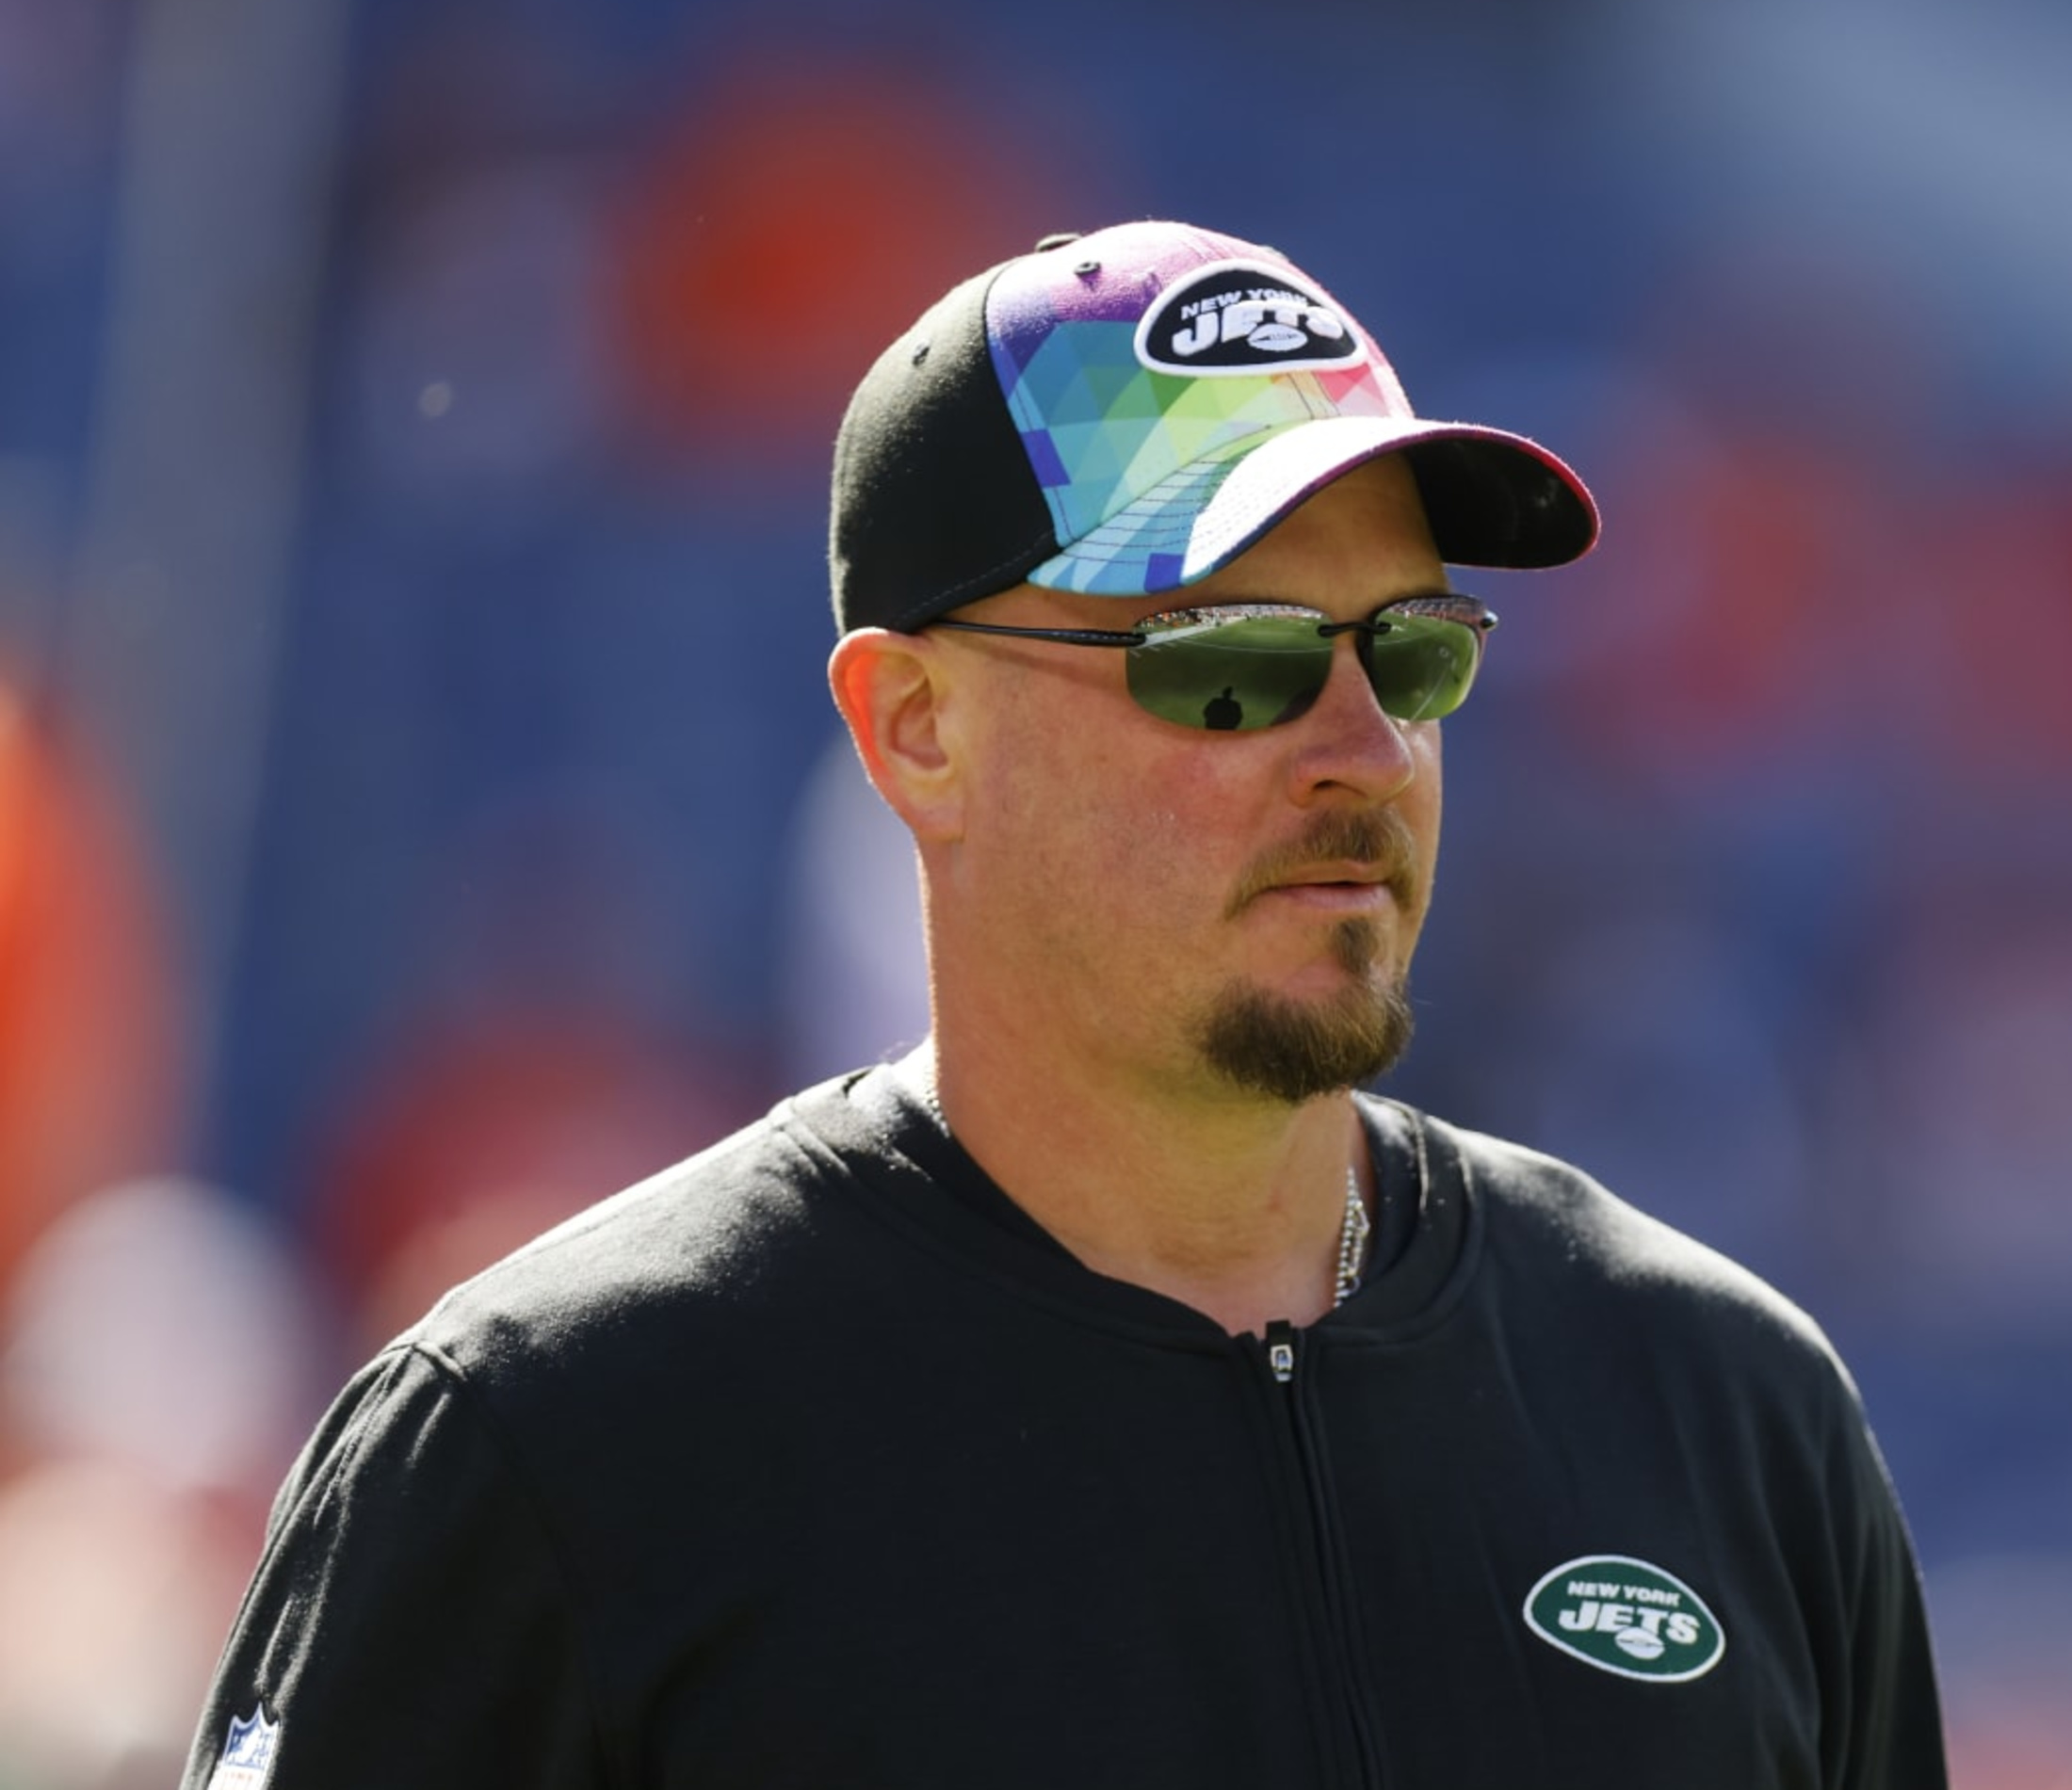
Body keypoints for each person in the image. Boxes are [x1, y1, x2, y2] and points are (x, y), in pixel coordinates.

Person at [182, 220, 1949, 1788]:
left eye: (1411, 650)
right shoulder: (552, 1446)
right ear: (917, 731)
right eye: (1233, 666)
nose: (1364, 751)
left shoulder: (1726, 1414)